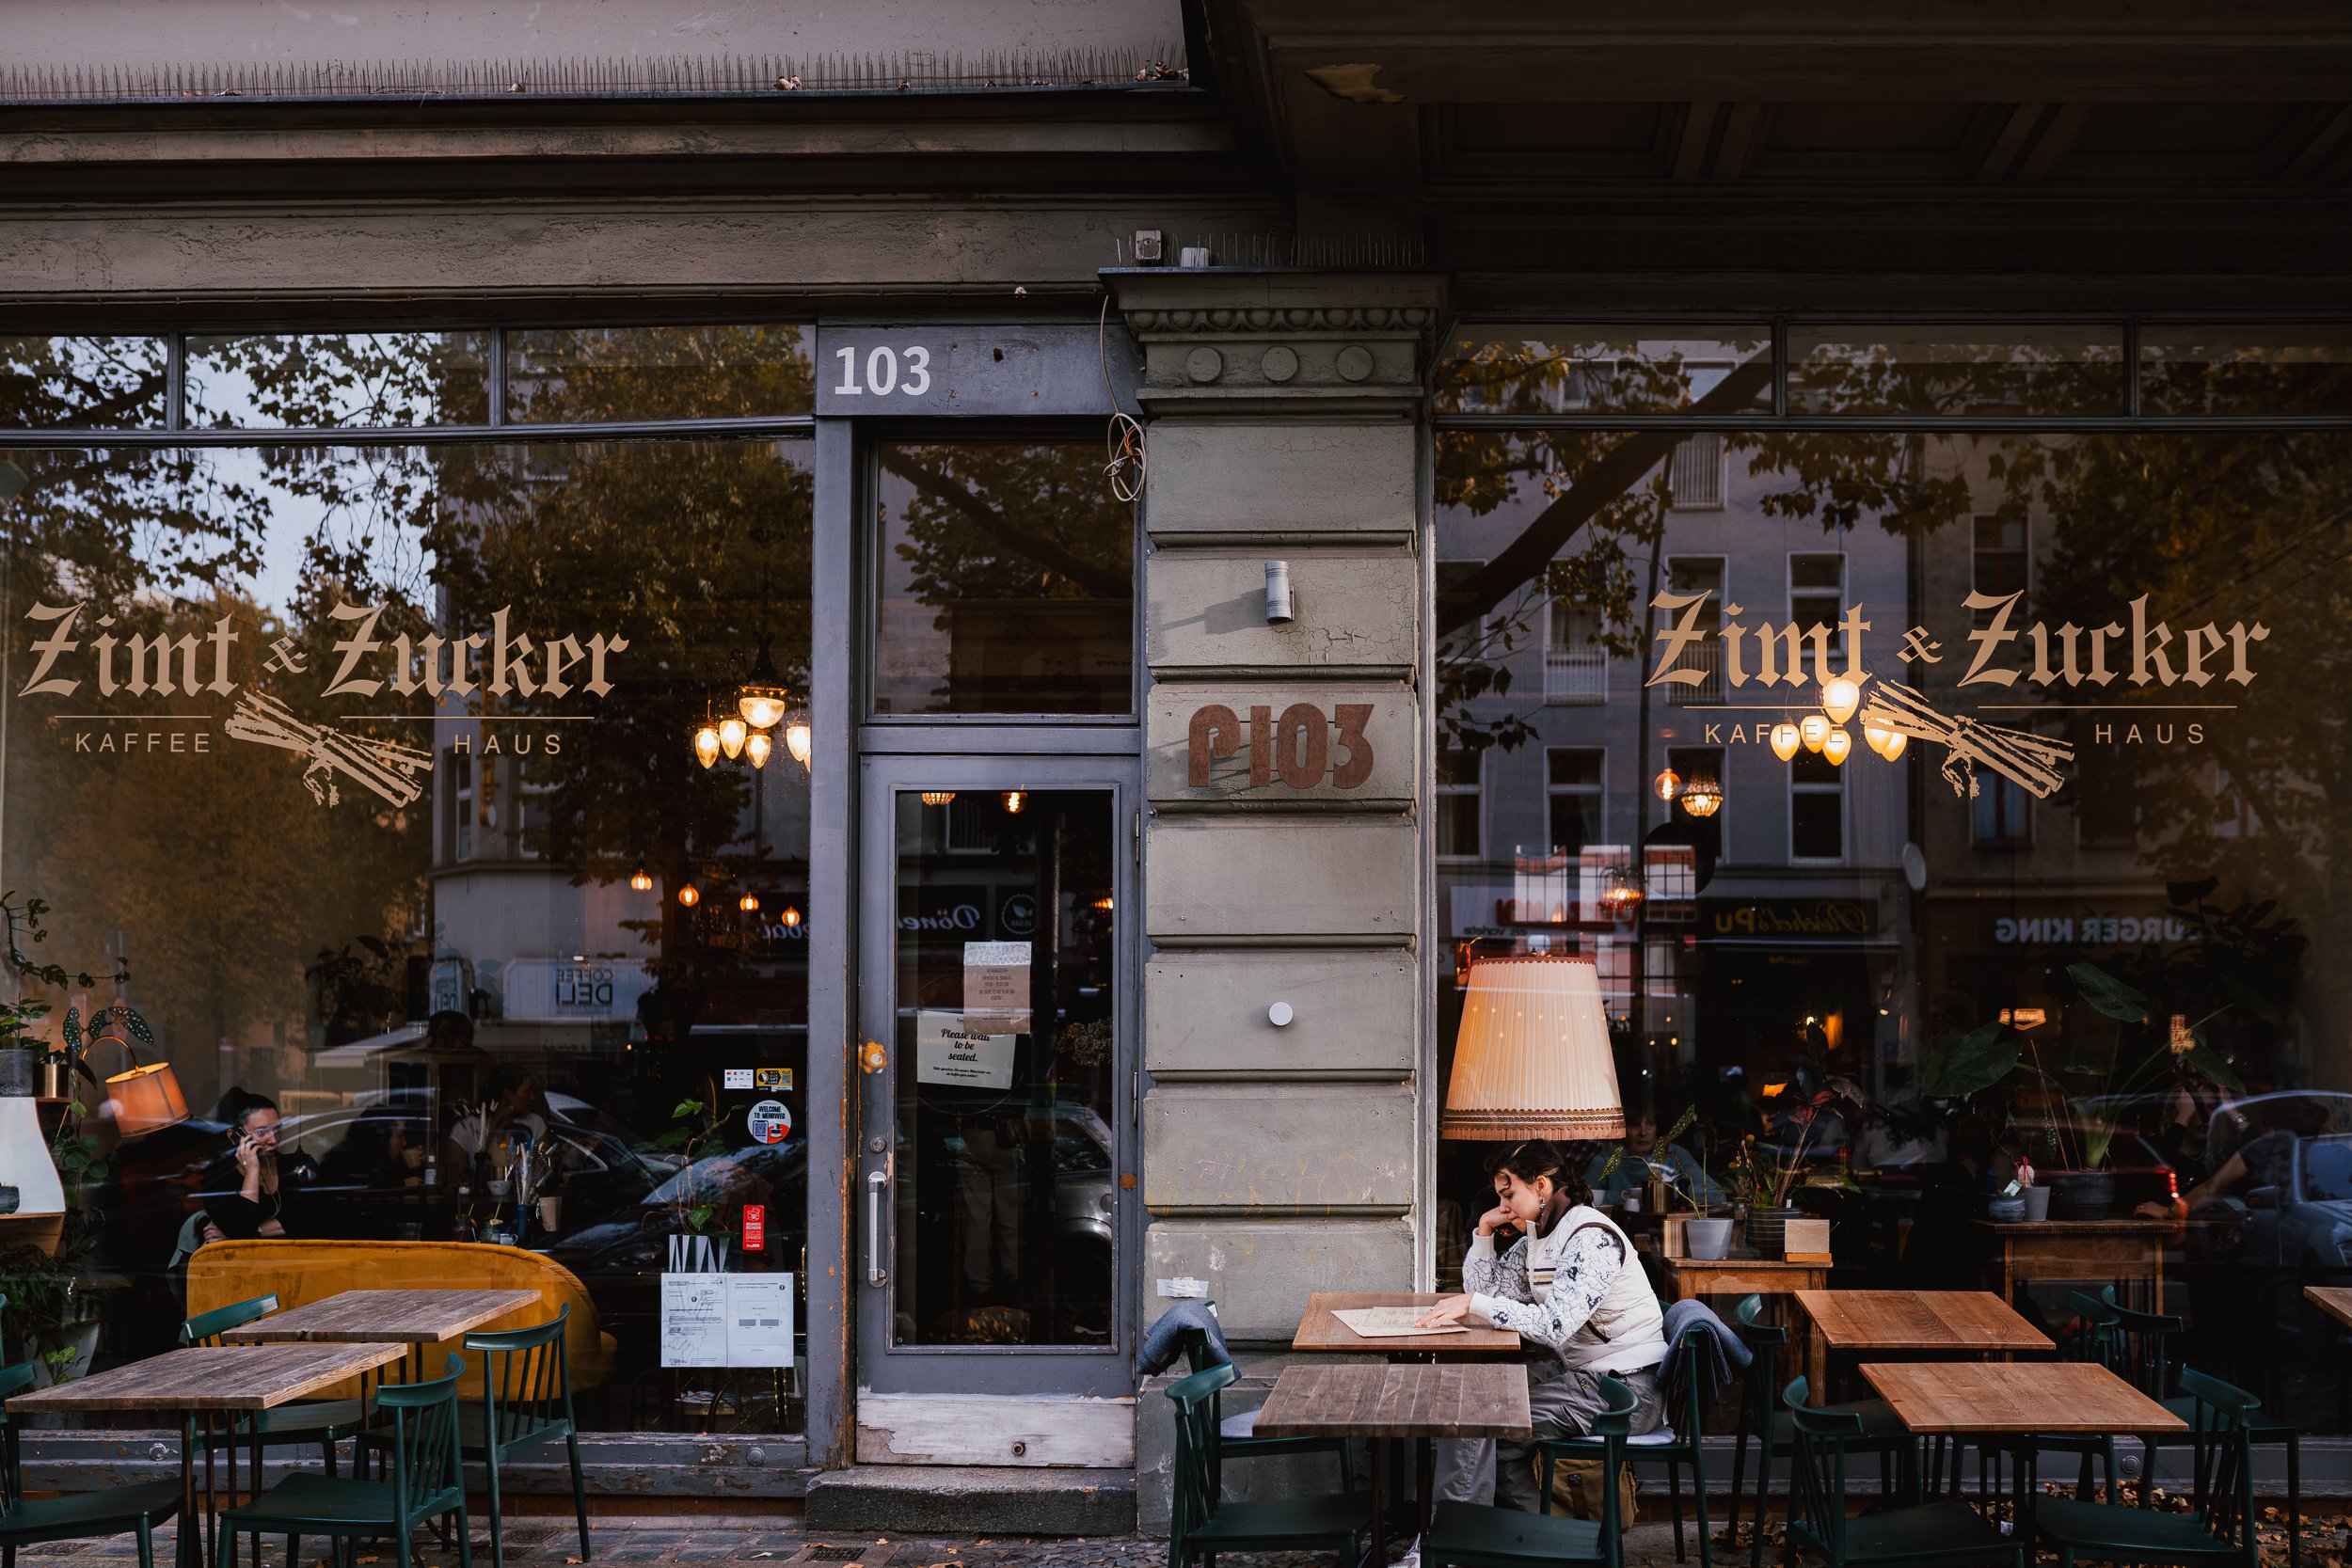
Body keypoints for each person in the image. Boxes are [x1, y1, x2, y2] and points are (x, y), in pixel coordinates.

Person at [1419, 1139, 1670, 1510]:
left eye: (1508, 1194)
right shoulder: (1540, 1234)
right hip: (1586, 1377)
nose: (1503, 1206)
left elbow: (1553, 1326)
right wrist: (1484, 1231)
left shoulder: (1590, 1238)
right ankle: (1525, 1528)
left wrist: (1476, 1303)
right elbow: (1486, 1292)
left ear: (1540, 1185)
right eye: (1499, 1197)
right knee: (1468, 1396)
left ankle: (1455, 1530)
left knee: (1475, 1414)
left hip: (1625, 1391)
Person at [196, 1093, 320, 1242]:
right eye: (261, 1132)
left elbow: (318, 1216)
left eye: (277, 1129)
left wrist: (256, 1231)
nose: (273, 1140)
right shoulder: (217, 1178)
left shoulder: (299, 1165)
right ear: (235, 1136)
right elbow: (242, 1227)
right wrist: (252, 1172)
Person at [1586, 1109, 1724, 1209]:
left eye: (1650, 1124)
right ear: (1622, 1129)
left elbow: (1716, 1193)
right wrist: (1627, 1195)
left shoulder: (1674, 1154)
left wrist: (1668, 1192)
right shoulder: (1606, 1159)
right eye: (1635, 1125)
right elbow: (1584, 1197)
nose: (1643, 1132)